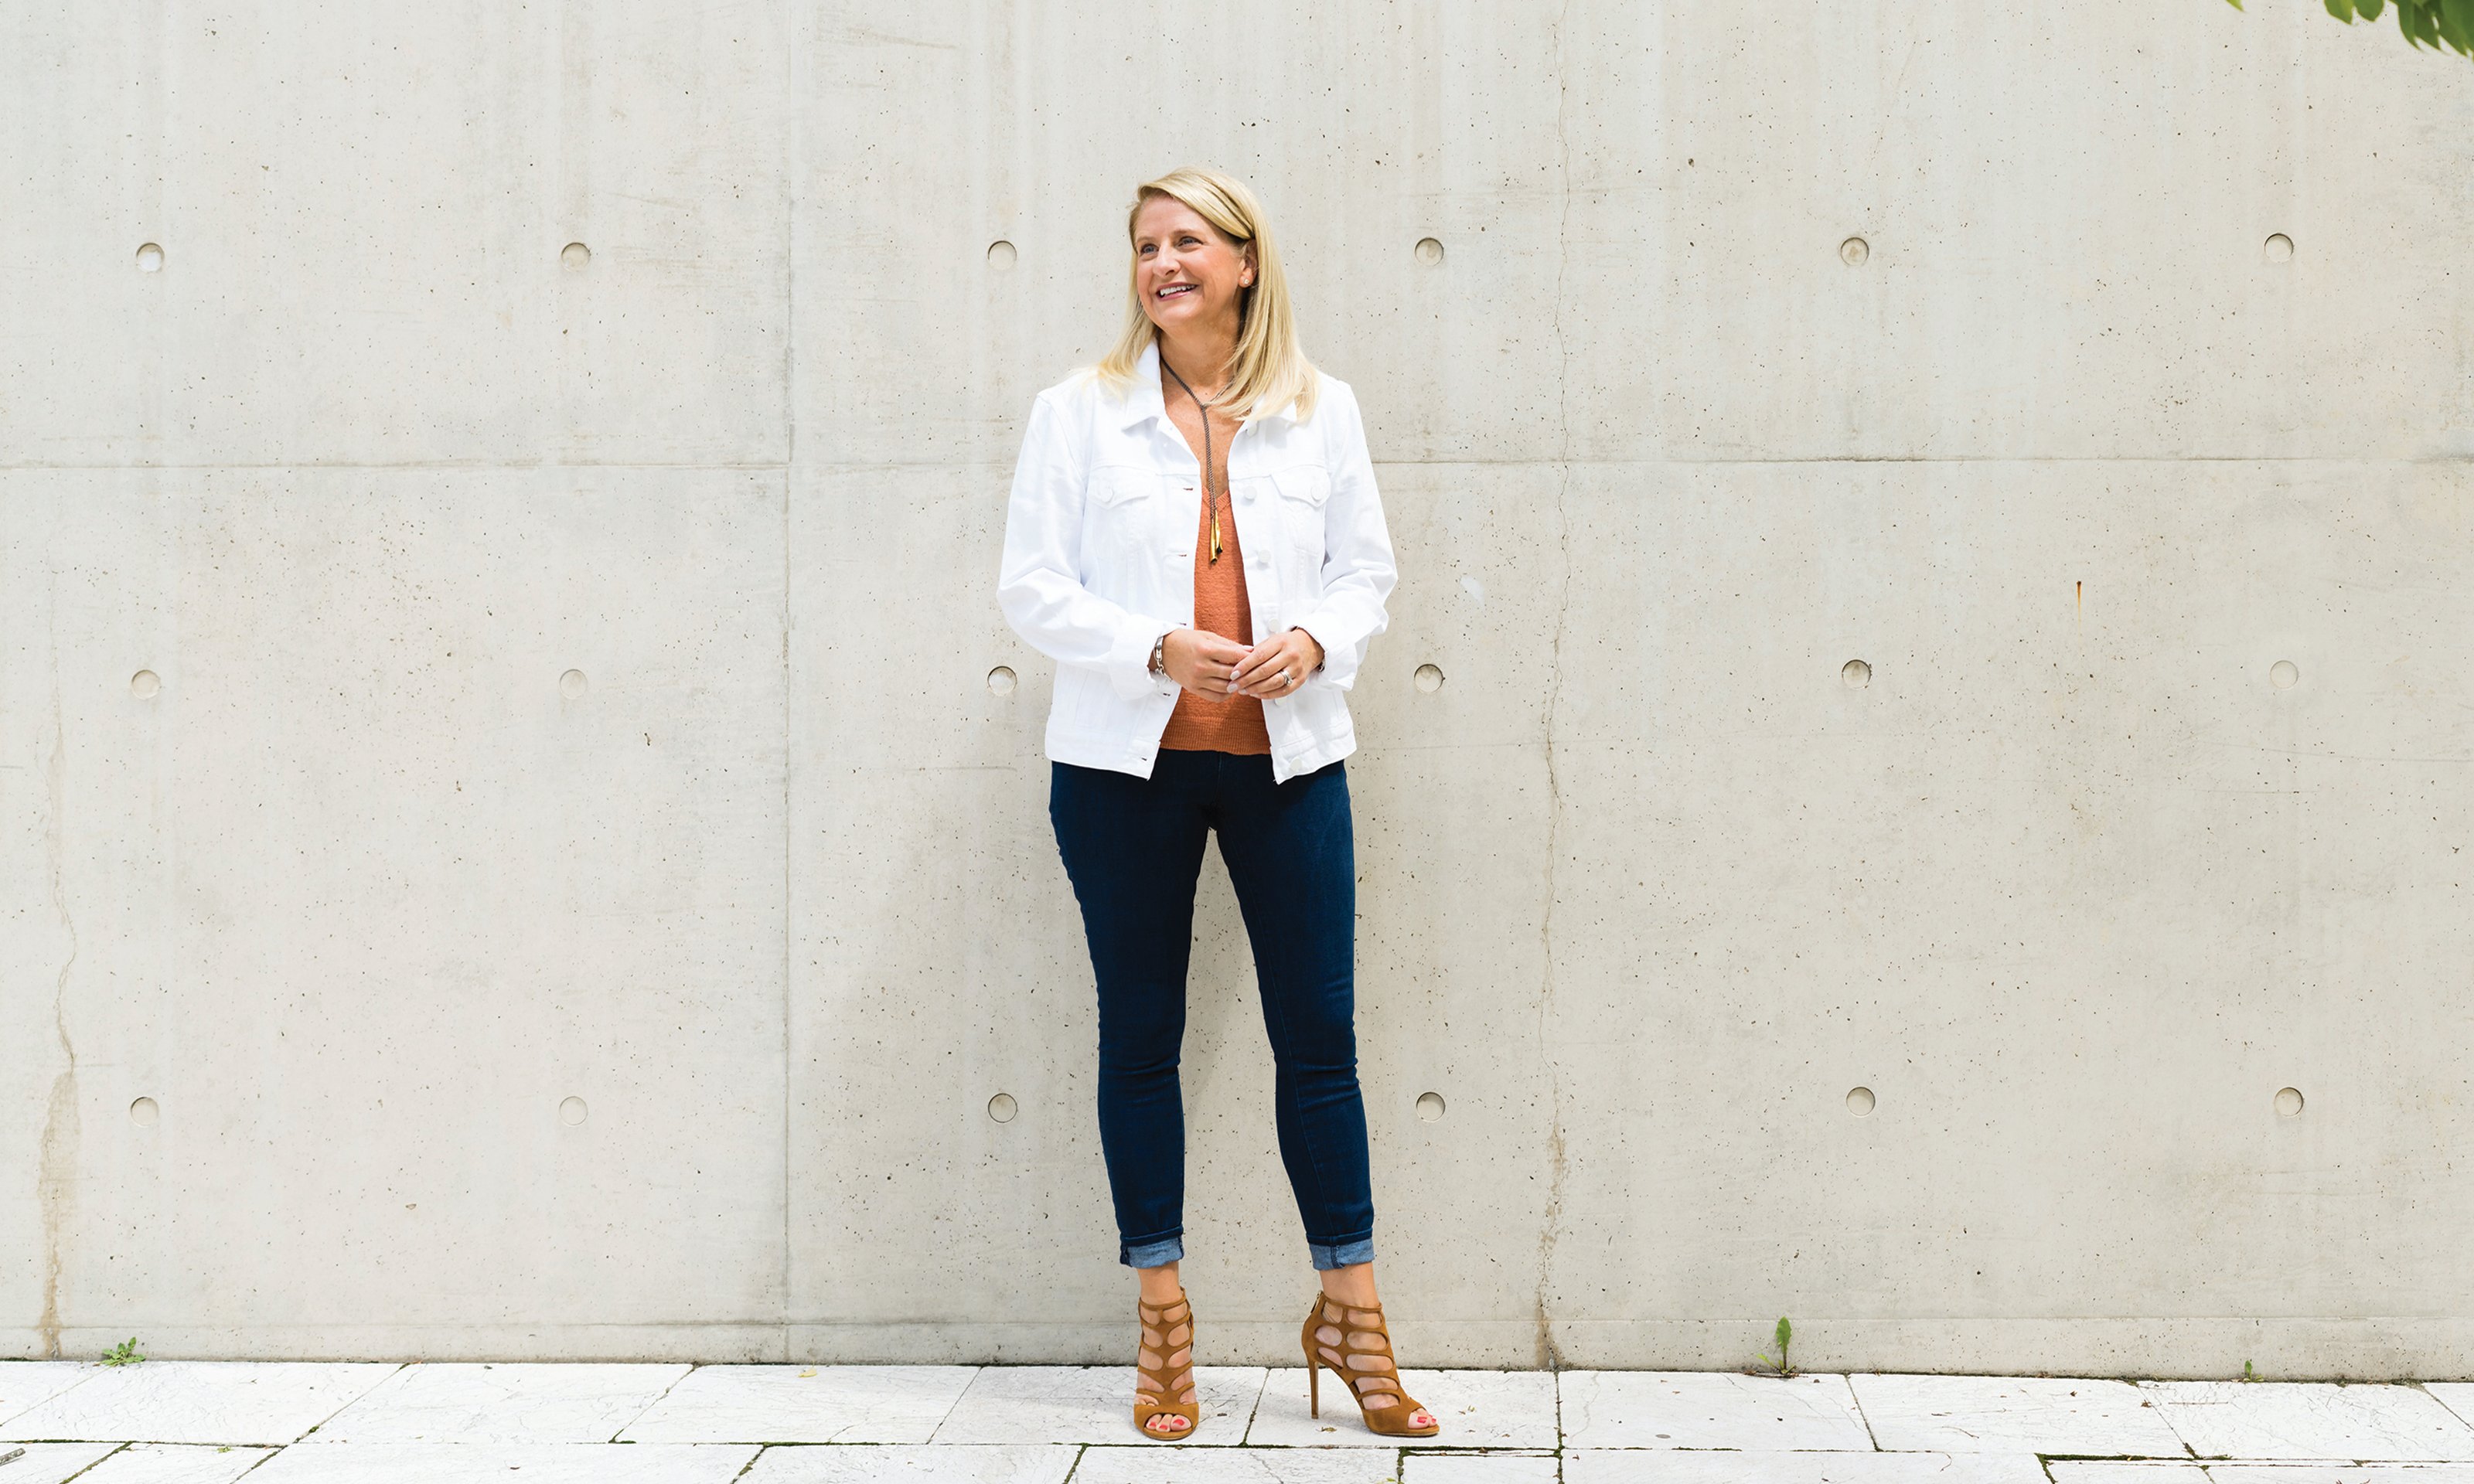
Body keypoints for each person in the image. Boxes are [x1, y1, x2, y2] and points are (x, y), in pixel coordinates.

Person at [997, 165, 1438, 1441]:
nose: (1162, 264)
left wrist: (1308, 640)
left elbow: (1368, 570)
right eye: (1145, 246)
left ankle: (1352, 1320)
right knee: (1141, 1042)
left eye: (1188, 241)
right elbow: (1030, 586)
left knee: (1322, 1045)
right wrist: (1156, 647)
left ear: (1246, 262)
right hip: (1122, 773)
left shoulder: (1321, 409)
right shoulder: (1078, 412)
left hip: (1286, 764)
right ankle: (1164, 1324)